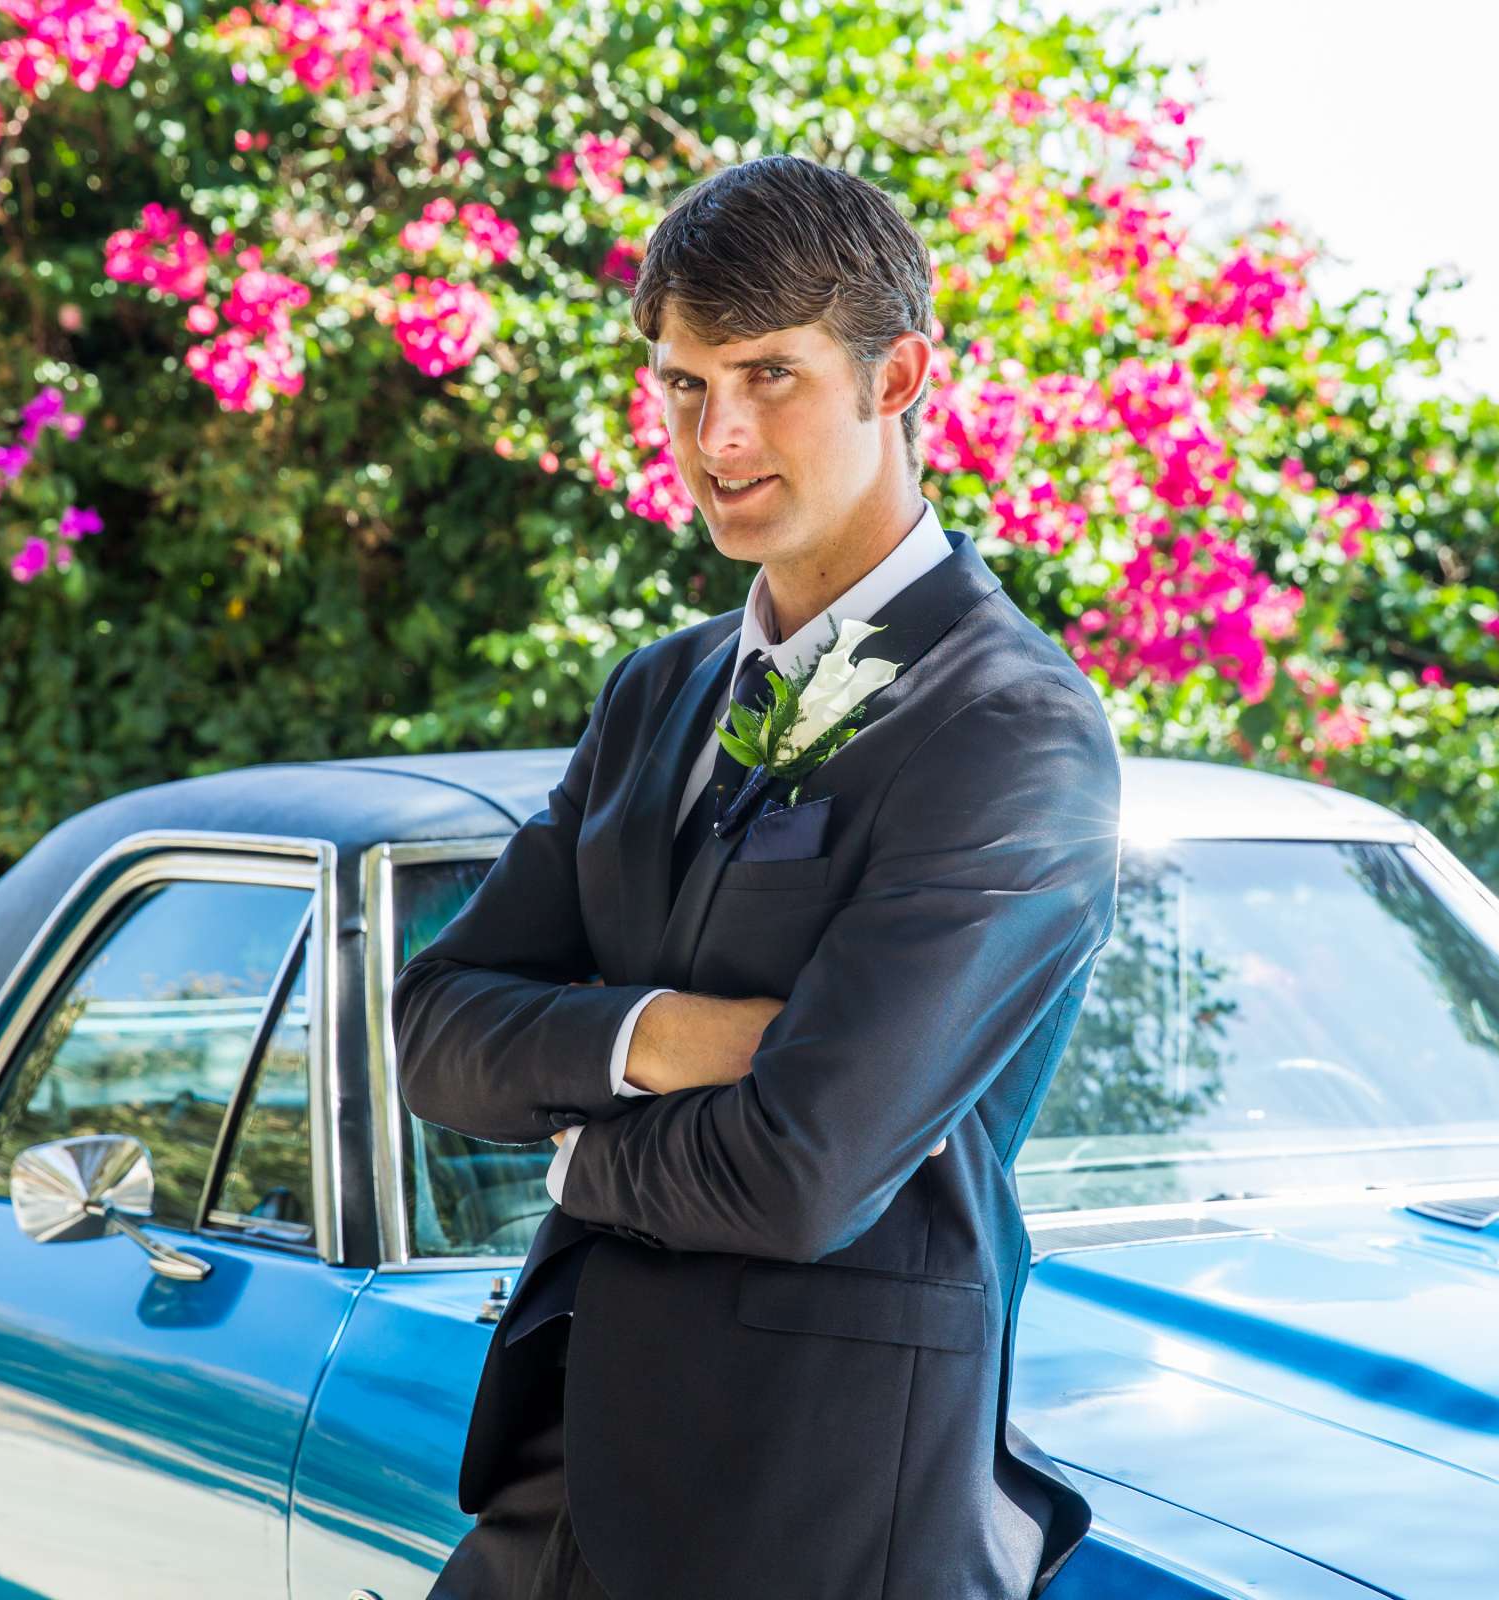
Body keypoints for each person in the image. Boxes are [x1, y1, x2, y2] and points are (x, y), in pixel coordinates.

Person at [392, 151, 1122, 1600]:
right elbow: (433, 1030)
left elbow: (803, 1172)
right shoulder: (655, 695)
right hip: (552, 1508)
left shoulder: (1012, 729)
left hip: (820, 1523)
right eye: (682, 383)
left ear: (896, 374)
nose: (717, 434)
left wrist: (577, 1149)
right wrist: (660, 1036)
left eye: (770, 376)